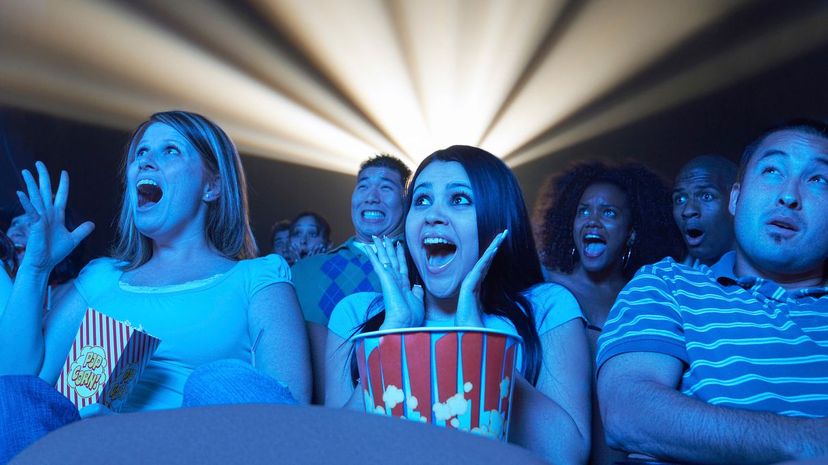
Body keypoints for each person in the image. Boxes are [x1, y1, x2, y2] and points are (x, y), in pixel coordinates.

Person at [0, 111, 311, 461]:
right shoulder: (102, 278)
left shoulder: (258, 278)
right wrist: (36, 268)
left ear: (212, 186)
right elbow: (18, 384)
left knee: (217, 381)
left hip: (202, 450)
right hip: (93, 453)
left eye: (170, 151)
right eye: (140, 153)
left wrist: (139, 436)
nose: (146, 162)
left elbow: (289, 414)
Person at [325, 146, 591, 465]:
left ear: (496, 217)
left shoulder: (548, 307)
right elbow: (335, 452)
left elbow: (566, 455)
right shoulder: (355, 313)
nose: (433, 214)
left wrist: (479, 344)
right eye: (421, 200)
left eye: (459, 199)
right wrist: (392, 338)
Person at [596, 119, 828, 464]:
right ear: (736, 199)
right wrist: (804, 441)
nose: (789, 195)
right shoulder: (667, 284)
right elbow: (628, 411)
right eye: (772, 171)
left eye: (818, 179)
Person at [534, 161, 683, 465]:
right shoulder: (543, 287)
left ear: (631, 233)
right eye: (583, 211)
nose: (592, 220)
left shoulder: (649, 296)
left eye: (609, 213)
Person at [292, 154, 410, 404]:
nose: (371, 196)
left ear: (406, 200)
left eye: (386, 187)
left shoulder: (421, 268)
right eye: (363, 186)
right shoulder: (304, 271)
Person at [672, 155, 737, 267]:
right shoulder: (664, 278)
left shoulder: (771, 279)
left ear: (735, 200)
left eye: (707, 196)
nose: (688, 211)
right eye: (680, 199)